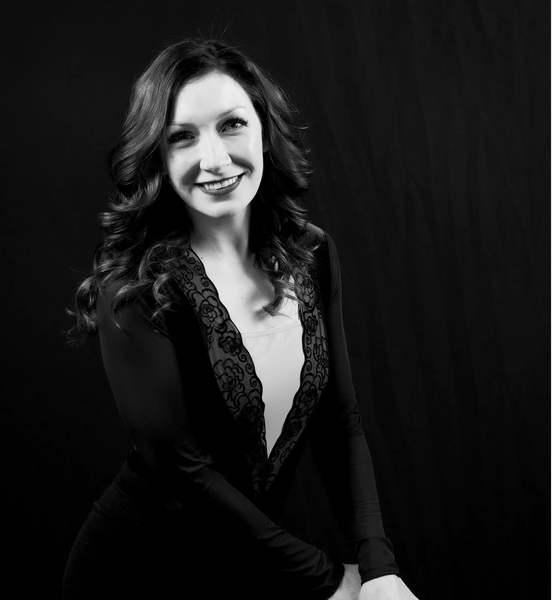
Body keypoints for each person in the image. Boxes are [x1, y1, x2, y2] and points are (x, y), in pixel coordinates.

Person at [63, 37, 418, 600]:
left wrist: (378, 567)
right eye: (182, 137)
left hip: (253, 568)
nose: (214, 159)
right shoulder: (134, 289)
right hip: (137, 573)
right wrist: (331, 581)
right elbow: (185, 474)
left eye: (231, 125)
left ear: (264, 131)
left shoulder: (313, 253)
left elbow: (340, 421)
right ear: (158, 156)